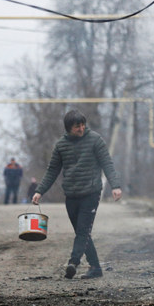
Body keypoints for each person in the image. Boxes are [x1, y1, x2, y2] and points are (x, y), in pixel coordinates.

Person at [32, 110, 122, 280]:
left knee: (82, 231)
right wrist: (39, 191)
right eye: (76, 126)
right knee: (83, 232)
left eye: (82, 125)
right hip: (71, 194)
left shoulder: (95, 139)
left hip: (91, 192)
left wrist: (115, 185)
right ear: (68, 128)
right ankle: (95, 268)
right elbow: (52, 171)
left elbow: (107, 163)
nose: (81, 128)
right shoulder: (61, 146)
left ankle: (73, 262)